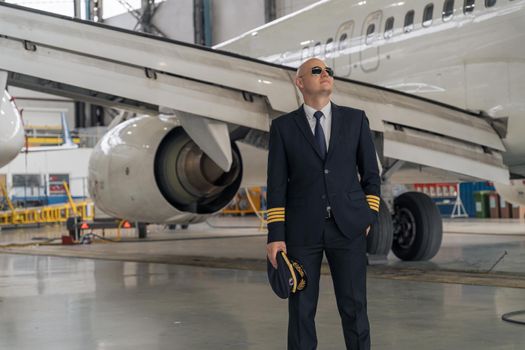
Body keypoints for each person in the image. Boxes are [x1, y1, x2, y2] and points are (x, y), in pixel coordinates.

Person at [266, 58, 381, 350]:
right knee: (302, 310)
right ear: (300, 82)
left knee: (355, 307)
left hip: (349, 228)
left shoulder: (356, 119)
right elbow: (277, 185)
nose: (325, 74)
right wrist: (276, 236)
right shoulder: (283, 127)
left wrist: (368, 216)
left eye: (328, 70)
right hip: (302, 232)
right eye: (316, 71)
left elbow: (371, 175)